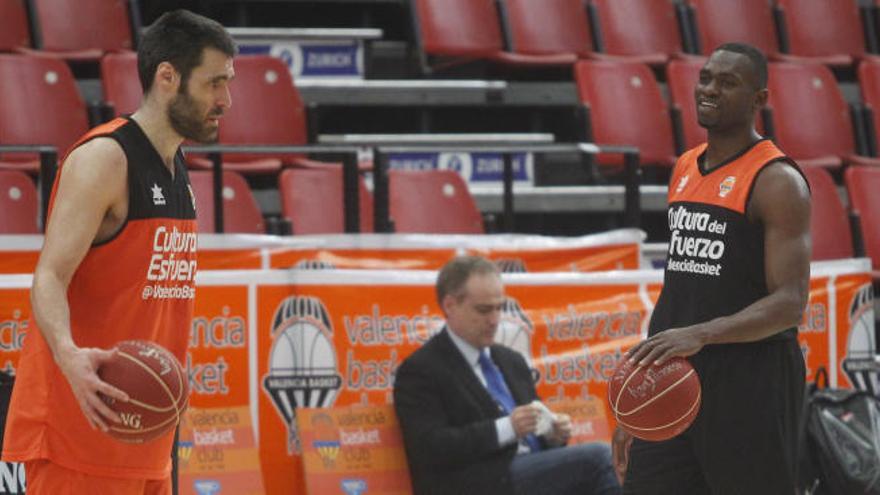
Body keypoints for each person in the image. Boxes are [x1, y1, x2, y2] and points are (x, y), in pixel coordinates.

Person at [1, 10, 236, 494]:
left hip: (144, 435)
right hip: (80, 431)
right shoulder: (104, 158)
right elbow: (48, 278)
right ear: (167, 77)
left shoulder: (176, 164)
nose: (226, 100)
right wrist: (69, 356)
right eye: (214, 83)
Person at [614, 43, 811, 494]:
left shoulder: (777, 180)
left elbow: (790, 303)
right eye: (705, 78)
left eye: (728, 83)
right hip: (679, 375)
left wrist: (701, 333)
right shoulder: (685, 166)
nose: (710, 90)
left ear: (759, 99)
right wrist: (634, 404)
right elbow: (680, 288)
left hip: (751, 379)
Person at [393, 255, 620, 495]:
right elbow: (430, 448)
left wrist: (553, 433)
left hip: (530, 474)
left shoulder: (510, 361)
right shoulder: (421, 370)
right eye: (483, 310)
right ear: (450, 306)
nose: (494, 320)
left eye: (499, 308)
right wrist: (508, 428)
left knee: (613, 462)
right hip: (479, 481)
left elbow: (538, 433)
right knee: (600, 458)